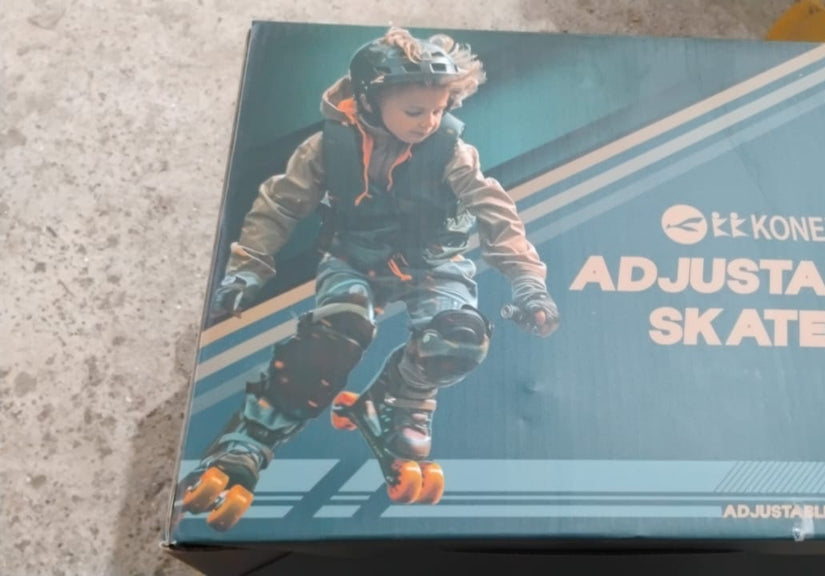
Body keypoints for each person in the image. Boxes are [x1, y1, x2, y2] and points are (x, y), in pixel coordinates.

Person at [181, 27, 559, 530]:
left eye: (438, 110)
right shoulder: (326, 147)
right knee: (335, 335)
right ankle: (248, 441)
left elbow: (496, 212)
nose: (428, 123)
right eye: (414, 111)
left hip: (433, 265)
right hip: (354, 260)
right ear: (369, 100)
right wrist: (246, 271)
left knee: (461, 339)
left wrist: (528, 281)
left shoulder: (452, 151)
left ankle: (401, 400)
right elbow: (280, 205)